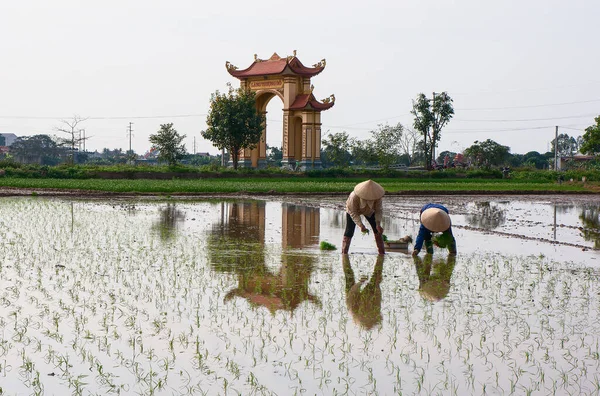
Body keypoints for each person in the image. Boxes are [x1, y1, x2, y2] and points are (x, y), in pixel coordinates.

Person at [342, 180, 385, 255]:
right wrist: (361, 225)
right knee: (349, 231)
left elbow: (378, 210)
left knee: (377, 230)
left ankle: (382, 253)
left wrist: (378, 223)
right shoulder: (353, 197)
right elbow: (353, 213)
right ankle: (344, 253)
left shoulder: (377, 197)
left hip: (369, 211)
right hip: (353, 210)